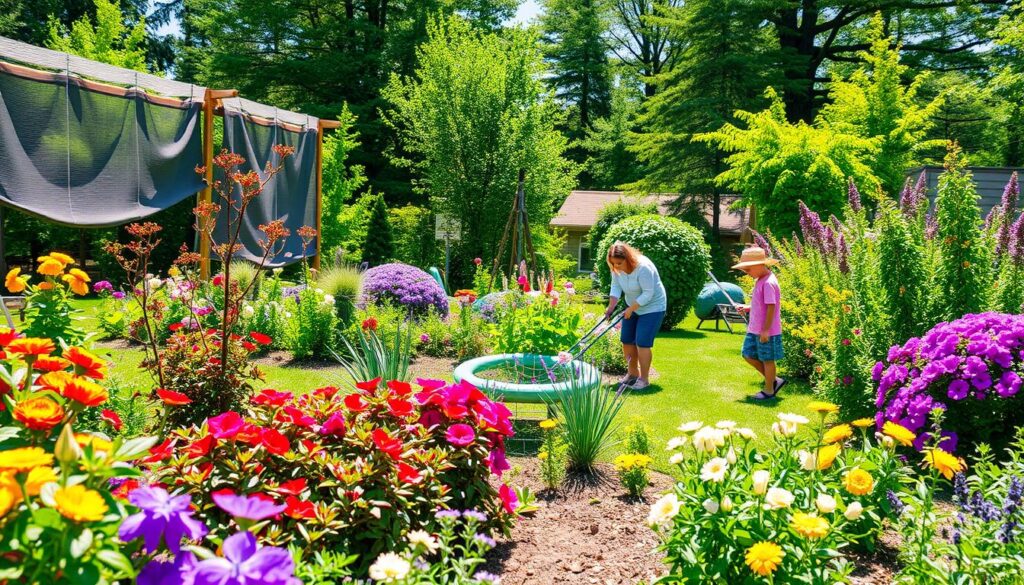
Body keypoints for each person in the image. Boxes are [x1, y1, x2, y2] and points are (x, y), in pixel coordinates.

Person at [603, 242, 667, 390]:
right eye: (613, 264)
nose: (616, 267)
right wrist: (611, 307)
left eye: (619, 263)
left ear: (628, 258)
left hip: (653, 307)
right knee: (626, 339)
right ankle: (632, 374)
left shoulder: (643, 267)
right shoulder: (616, 268)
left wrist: (631, 309)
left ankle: (644, 380)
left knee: (642, 342)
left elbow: (648, 293)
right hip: (632, 306)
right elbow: (615, 286)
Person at [733, 246, 787, 400]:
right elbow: (761, 304)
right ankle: (775, 380)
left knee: (767, 359)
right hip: (754, 329)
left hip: (766, 330)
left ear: (760, 265)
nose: (746, 272)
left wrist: (765, 330)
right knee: (748, 354)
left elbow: (772, 307)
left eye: (748, 269)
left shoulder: (769, 282)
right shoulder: (760, 280)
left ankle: (769, 390)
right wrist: (748, 308)